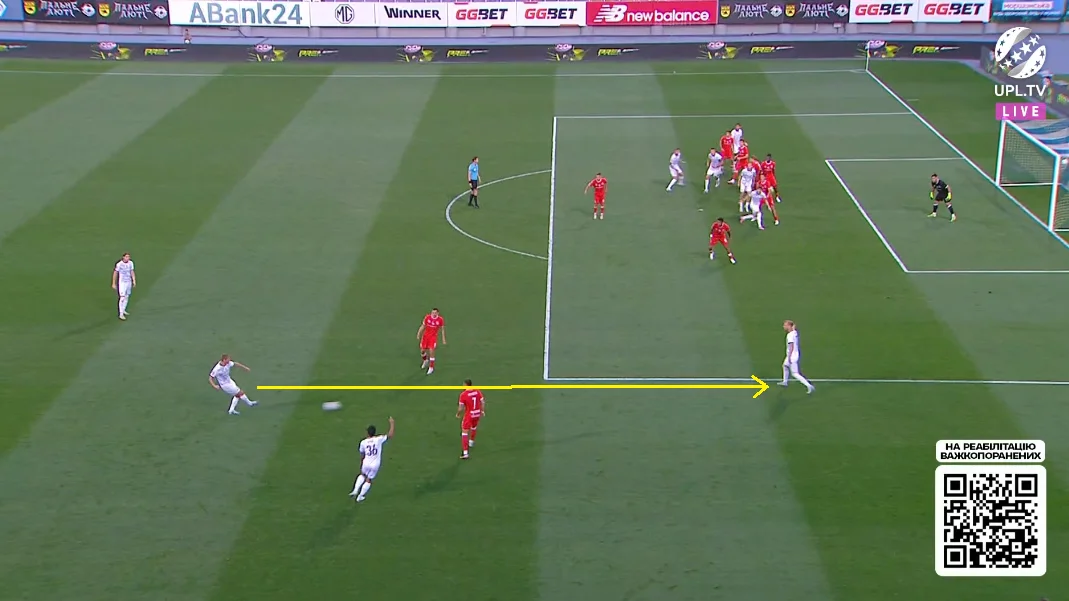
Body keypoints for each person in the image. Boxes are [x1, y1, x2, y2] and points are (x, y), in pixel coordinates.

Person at [350, 417, 395, 503]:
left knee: (362, 475)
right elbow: (390, 435)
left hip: (366, 462)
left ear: (367, 433)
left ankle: (355, 490)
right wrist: (392, 423)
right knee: (369, 480)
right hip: (375, 464)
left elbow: (362, 454)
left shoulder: (363, 442)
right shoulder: (378, 439)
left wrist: (362, 462)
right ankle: (360, 496)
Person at [779, 320, 815, 394]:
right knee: (785, 366)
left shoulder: (790, 335)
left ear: (789, 326)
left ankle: (809, 385)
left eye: (785, 325)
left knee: (795, 373)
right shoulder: (794, 332)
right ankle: (785, 381)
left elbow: (791, 346)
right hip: (795, 354)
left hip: (792, 356)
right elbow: (794, 328)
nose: (784, 326)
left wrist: (789, 357)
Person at [456, 380, 485, 460]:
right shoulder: (477, 391)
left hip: (469, 415)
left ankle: (465, 453)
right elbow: (482, 402)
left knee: (464, 432)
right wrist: (482, 411)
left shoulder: (463, 394)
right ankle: (471, 442)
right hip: (477, 413)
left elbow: (461, 408)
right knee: (474, 427)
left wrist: (458, 414)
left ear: (466, 385)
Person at [417, 308, 447, 375]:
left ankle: (431, 367)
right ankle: (425, 360)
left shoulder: (440, 320)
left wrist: (443, 339)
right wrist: (419, 334)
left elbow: (442, 329)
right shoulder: (427, 317)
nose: (433, 314)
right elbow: (423, 326)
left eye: (435, 313)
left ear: (437, 313)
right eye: (432, 312)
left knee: (431, 351)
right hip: (425, 337)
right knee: (422, 351)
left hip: (433, 338)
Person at [111, 253, 136, 321]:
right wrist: (113, 283)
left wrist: (134, 280)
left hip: (128, 282)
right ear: (123, 257)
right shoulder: (119, 264)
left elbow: (132, 271)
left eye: (129, 257)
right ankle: (121, 314)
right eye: (126, 257)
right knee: (122, 297)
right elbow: (115, 273)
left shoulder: (130, 263)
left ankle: (123, 309)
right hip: (122, 283)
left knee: (127, 296)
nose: (128, 258)